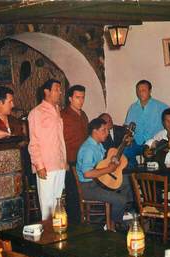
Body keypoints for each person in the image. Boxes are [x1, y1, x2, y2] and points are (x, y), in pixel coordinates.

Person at [76, 118, 132, 230]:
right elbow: (87, 174)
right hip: (89, 187)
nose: (107, 133)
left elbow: (102, 163)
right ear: (94, 131)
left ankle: (120, 213)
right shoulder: (88, 149)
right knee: (120, 199)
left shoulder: (98, 145)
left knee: (127, 181)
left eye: (107, 129)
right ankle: (112, 224)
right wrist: (109, 169)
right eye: (104, 130)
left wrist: (112, 161)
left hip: (100, 181)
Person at [28, 79, 67, 220]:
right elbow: (34, 142)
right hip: (46, 166)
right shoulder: (36, 113)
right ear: (47, 91)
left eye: (60, 89)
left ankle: (57, 237)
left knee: (58, 206)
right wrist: (39, 166)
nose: (60, 92)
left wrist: (64, 162)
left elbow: (59, 139)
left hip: (59, 164)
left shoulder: (57, 110)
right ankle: (47, 238)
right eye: (57, 89)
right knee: (47, 209)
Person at [124, 80, 168, 167]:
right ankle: (134, 173)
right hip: (137, 142)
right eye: (138, 91)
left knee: (151, 159)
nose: (140, 93)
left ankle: (148, 177)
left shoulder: (160, 106)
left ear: (150, 91)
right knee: (125, 151)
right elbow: (128, 126)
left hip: (154, 143)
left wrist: (163, 139)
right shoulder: (133, 108)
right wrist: (129, 137)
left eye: (143, 90)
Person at [61, 85, 88, 224]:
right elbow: (59, 140)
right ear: (70, 98)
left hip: (83, 161)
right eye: (78, 97)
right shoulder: (63, 115)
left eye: (83, 97)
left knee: (82, 194)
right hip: (70, 161)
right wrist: (63, 160)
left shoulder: (83, 115)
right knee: (72, 196)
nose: (81, 100)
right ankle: (74, 225)